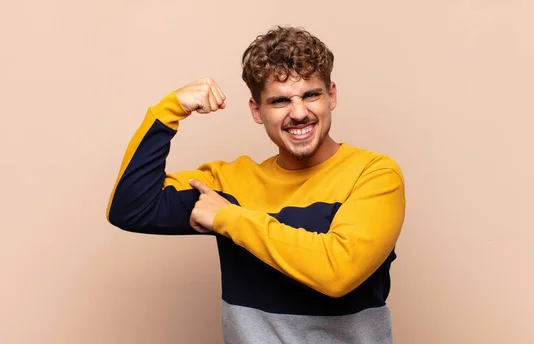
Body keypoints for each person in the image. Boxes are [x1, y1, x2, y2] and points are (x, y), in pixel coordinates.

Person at [106, 25, 406, 344]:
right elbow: (131, 207)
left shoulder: (374, 173)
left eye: (311, 95)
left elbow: (337, 271)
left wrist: (230, 218)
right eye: (280, 101)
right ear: (257, 111)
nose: (299, 112)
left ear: (331, 95)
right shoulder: (230, 182)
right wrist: (168, 111)